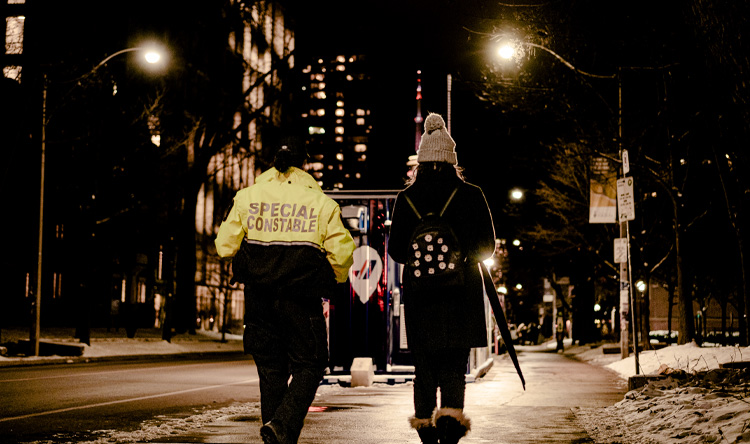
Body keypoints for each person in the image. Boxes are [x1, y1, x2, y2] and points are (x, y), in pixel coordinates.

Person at [215, 141, 355, 444]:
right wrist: (335, 280)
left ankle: (276, 430)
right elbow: (342, 255)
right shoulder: (322, 204)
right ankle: (282, 425)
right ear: (303, 166)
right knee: (311, 364)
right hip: (301, 300)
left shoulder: (247, 198)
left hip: (259, 300)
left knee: (271, 371)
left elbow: (224, 245)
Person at [388, 113, 496, 444]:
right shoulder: (472, 194)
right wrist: (459, 259)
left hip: (421, 298)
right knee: (452, 369)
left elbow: (396, 251)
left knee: (424, 371)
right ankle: (450, 432)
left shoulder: (406, 198)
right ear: (452, 160)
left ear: (422, 161)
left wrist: (425, 260)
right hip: (461, 297)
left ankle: (426, 435)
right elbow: (487, 247)